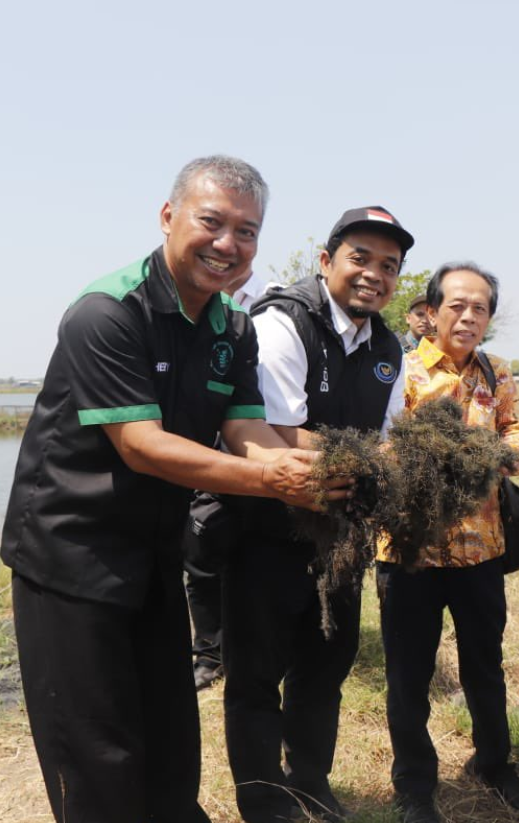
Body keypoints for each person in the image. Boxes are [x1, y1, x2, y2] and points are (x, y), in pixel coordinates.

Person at [0, 156, 345, 823]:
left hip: (154, 553)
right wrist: (269, 478)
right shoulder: (106, 313)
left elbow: (244, 425)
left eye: (246, 232)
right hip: (70, 557)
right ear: (168, 217)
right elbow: (142, 444)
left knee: (168, 739)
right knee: (97, 752)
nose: (227, 244)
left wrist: (313, 471)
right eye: (211, 222)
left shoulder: (233, 328)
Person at [221, 205, 413, 823]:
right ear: (327, 261)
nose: (374, 276)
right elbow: (278, 429)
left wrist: (377, 462)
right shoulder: (284, 322)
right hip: (267, 530)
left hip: (342, 535)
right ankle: (263, 800)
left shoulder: (388, 345)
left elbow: (391, 436)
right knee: (256, 676)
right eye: (360, 258)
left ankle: (310, 781)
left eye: (389, 266)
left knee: (326, 664)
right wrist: (367, 456)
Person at [376, 263, 519, 823]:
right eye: (457, 306)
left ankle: (494, 763)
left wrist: (494, 452)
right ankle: (414, 786)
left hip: (480, 552)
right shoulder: (399, 370)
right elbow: (382, 445)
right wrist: (426, 459)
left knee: (484, 667)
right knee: (409, 673)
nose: (469, 317)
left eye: (481, 309)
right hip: (409, 552)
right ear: (433, 310)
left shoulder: (496, 373)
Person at [185, 273, 272, 693]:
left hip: (259, 447)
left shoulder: (270, 305)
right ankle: (209, 653)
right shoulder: (185, 301)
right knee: (200, 554)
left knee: (255, 560)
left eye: (245, 232)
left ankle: (253, 650)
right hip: (207, 454)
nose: (229, 248)